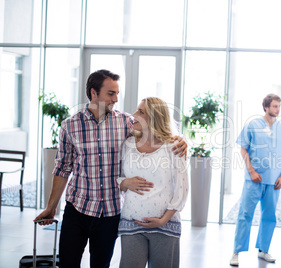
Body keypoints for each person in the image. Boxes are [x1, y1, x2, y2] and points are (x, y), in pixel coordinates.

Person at [34, 69, 187, 268]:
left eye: (117, 93)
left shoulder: (126, 123)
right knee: (68, 264)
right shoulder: (69, 126)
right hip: (77, 209)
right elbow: (63, 168)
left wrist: (180, 139)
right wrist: (51, 207)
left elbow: (155, 127)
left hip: (110, 213)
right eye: (110, 93)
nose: (116, 98)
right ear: (94, 93)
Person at [117, 97, 189, 268]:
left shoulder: (173, 147)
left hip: (165, 226)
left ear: (155, 118)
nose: (134, 115)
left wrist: (164, 220)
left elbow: (182, 188)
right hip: (131, 222)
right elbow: (118, 178)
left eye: (141, 112)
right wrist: (125, 183)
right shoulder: (127, 145)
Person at [230, 94, 281, 266]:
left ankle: (263, 250)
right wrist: (251, 171)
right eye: (274, 106)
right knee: (245, 214)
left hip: (273, 181)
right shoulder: (253, 125)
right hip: (254, 179)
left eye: (279, 106)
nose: (277, 109)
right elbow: (243, 149)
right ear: (265, 107)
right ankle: (236, 251)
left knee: (270, 216)